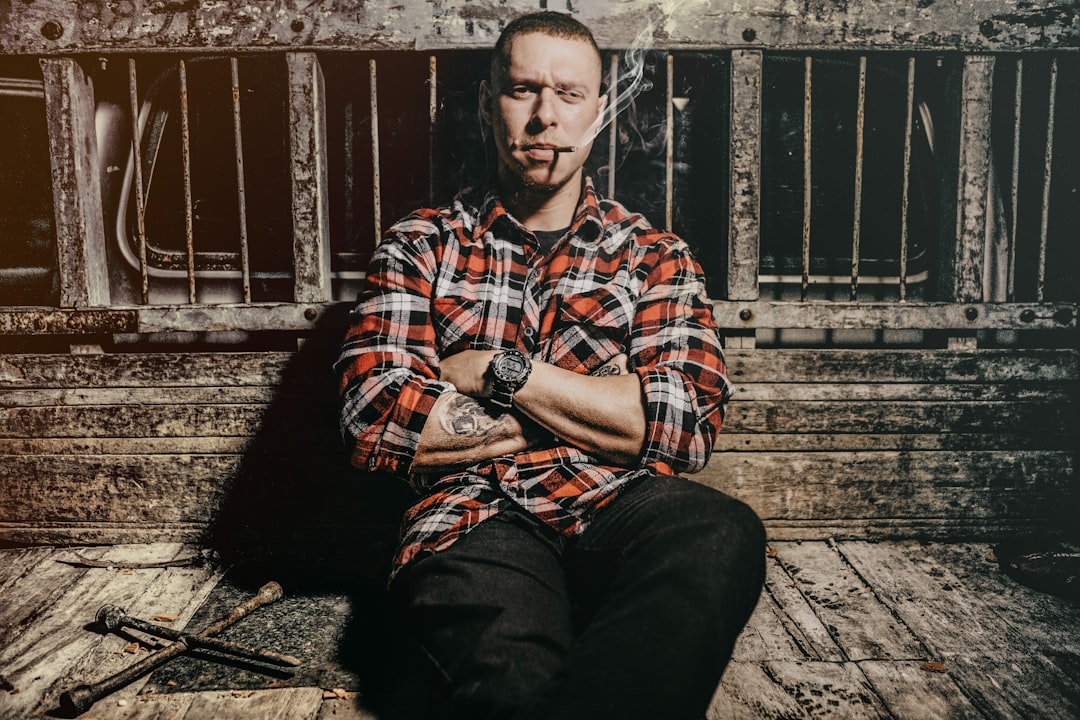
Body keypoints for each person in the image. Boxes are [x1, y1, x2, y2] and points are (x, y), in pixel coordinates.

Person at [335, 11, 765, 720]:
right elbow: (375, 418)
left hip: (619, 510)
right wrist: (603, 413)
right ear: (485, 103)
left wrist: (504, 372)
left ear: (599, 112)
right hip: (473, 517)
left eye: (568, 94)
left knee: (721, 530)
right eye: (522, 90)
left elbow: (684, 424)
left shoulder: (654, 255)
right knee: (514, 688)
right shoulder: (421, 245)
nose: (544, 117)